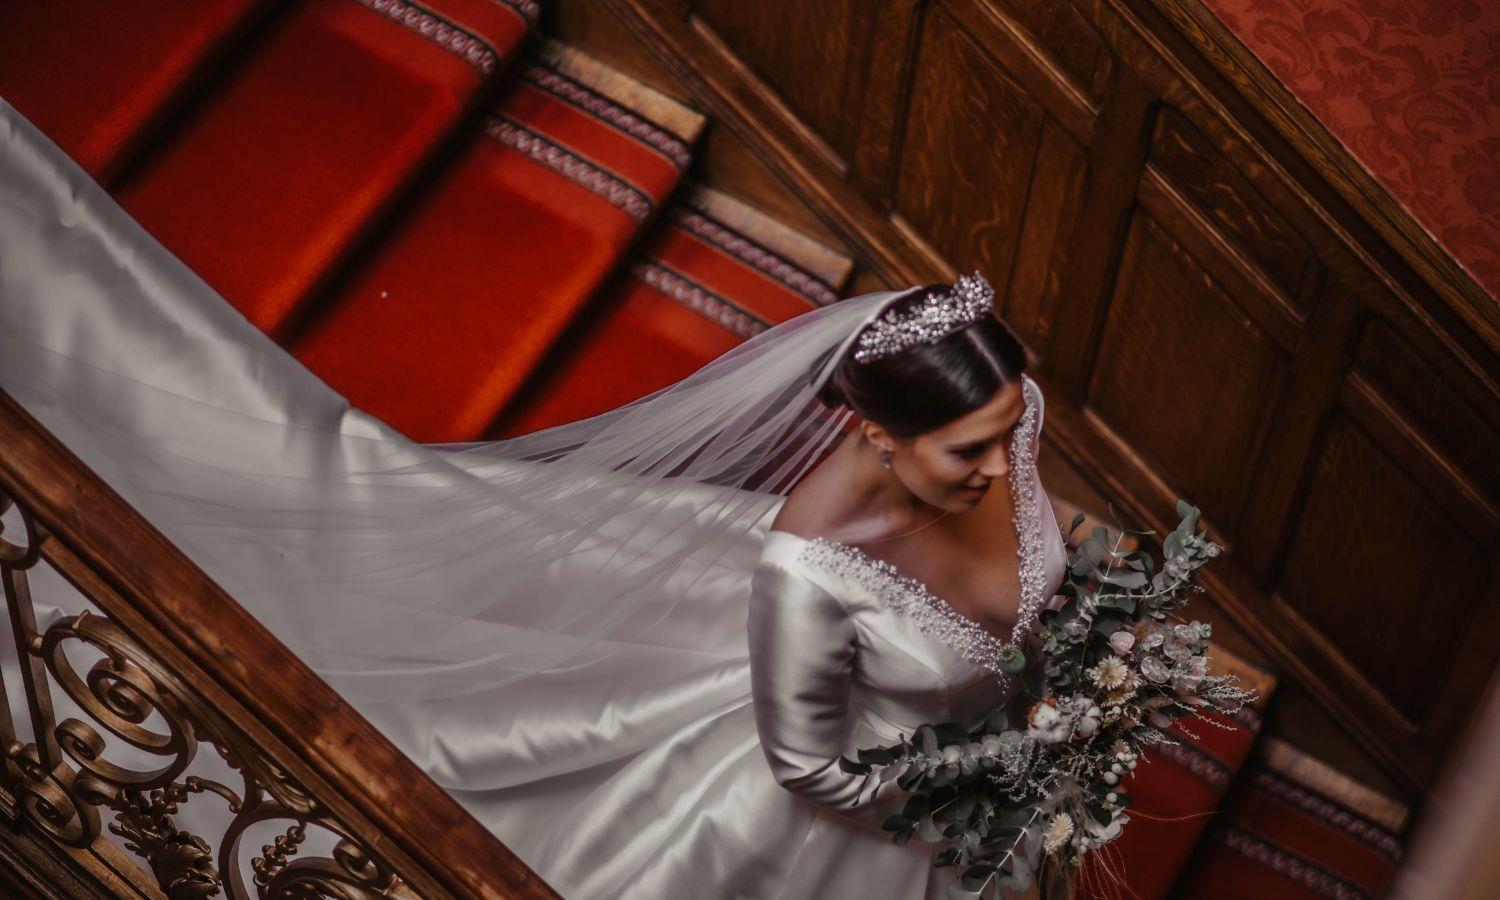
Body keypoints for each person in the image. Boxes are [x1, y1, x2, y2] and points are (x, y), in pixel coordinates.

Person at [0, 98, 1074, 898]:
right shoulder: (809, 568)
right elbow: (807, 771)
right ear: (874, 436)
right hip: (847, 808)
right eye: (968, 449)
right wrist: (976, 784)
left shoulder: (1005, 421)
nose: (1001, 463)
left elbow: (1014, 570)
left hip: (966, 746)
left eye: (1008, 427)